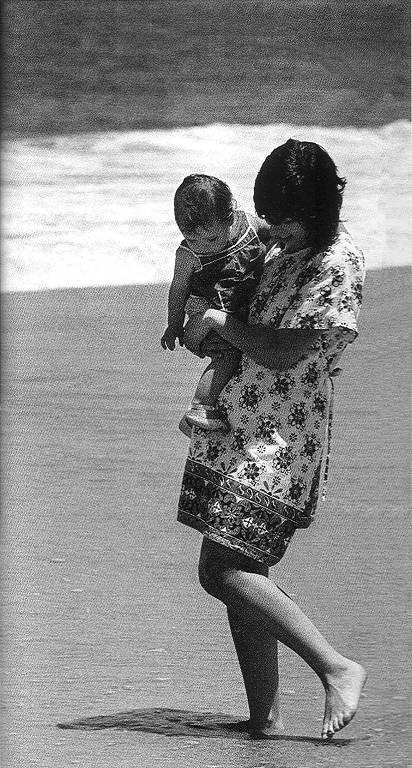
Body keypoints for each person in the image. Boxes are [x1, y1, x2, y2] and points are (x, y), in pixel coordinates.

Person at [177, 139, 367, 740]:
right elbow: (233, 310)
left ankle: (336, 667)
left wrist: (225, 327)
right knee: (239, 564)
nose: (275, 229)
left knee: (223, 569)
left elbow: (289, 351)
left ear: (316, 209)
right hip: (239, 422)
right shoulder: (279, 250)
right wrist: (201, 328)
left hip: (283, 438)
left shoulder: (335, 261)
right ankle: (263, 719)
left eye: (284, 217)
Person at [161, 174, 271, 432]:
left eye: (209, 239)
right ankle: (200, 407)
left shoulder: (250, 226)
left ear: (230, 216)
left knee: (250, 355)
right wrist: (174, 326)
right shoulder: (188, 255)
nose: (201, 246)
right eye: (191, 239)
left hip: (231, 313)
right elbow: (178, 291)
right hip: (203, 320)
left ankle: (210, 411)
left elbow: (274, 234)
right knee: (228, 355)